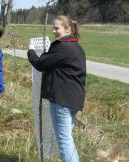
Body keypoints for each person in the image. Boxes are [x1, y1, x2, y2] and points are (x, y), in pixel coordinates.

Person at [27, 16, 86, 162]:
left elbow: (40, 63)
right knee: (67, 137)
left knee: (64, 139)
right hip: (73, 99)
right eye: (53, 28)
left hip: (62, 100)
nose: (54, 31)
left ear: (68, 29)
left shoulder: (62, 47)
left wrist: (31, 51)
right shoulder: (77, 47)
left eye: (57, 28)